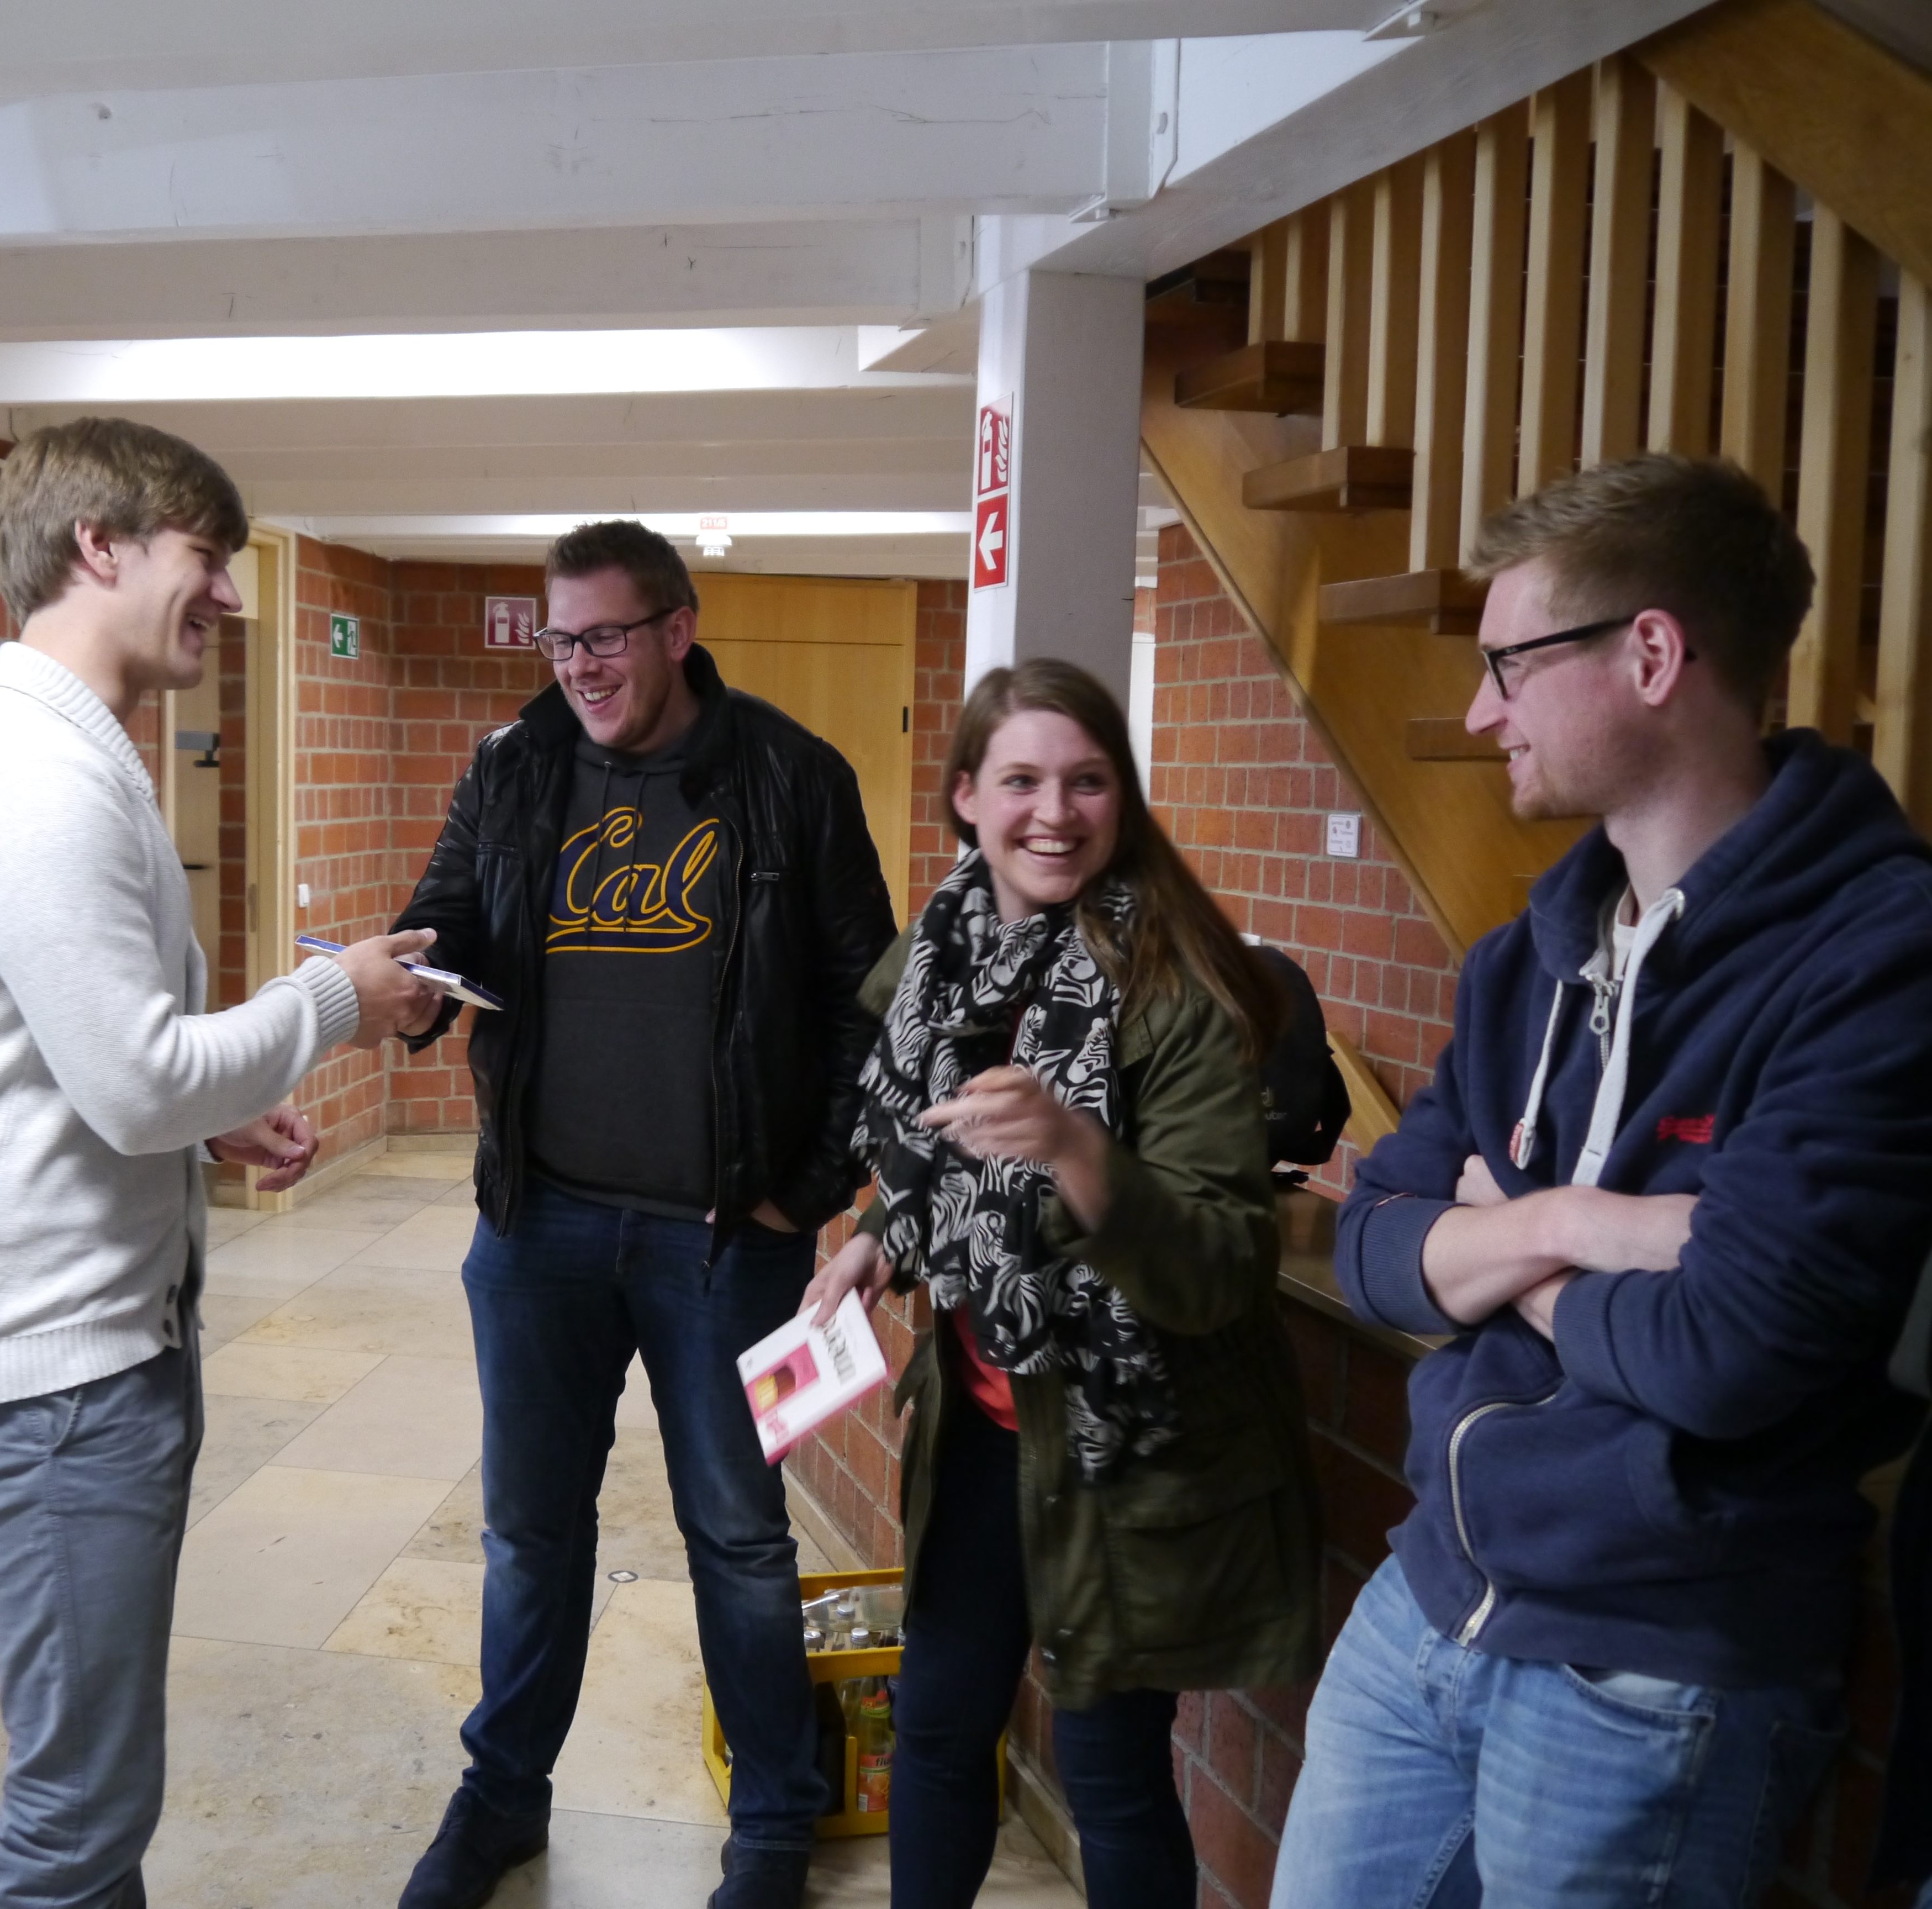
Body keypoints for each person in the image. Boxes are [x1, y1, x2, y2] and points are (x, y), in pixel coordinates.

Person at [1273, 454, 1932, 1907]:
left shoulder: (1877, 957)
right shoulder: (1527, 959)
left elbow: (1728, 1352)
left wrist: (1500, 1243)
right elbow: (1374, 1246)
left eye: (1510, 664)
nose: (1479, 712)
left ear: (1650, 656)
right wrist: (1583, 1225)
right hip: (1431, 1597)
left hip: (1653, 1664)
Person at [0, 418, 441, 1909]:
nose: (233, 597)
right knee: (76, 1817)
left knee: (96, 1799)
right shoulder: (39, 774)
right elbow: (131, 1082)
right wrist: (335, 999)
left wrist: (207, 1113)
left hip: (72, 1346)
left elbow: (69, 1059)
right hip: (47, 1367)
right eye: (208, 556)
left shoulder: (66, 751)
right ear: (98, 546)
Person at [389, 520, 897, 1909]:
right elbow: (445, 915)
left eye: (605, 636)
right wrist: (414, 980)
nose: (580, 666)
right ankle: (502, 1798)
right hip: (537, 1229)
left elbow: (872, 1004)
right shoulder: (513, 765)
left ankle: (775, 1826)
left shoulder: (792, 776)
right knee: (529, 1533)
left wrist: (805, 1191)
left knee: (739, 1536)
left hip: (726, 1243)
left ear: (678, 629)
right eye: (561, 640)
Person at [805, 658, 1321, 1909]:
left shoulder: (1181, 988)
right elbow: (937, 1152)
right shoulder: (944, 951)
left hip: (1126, 1442)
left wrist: (1079, 1148)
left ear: (1122, 798)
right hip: (985, 1429)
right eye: (1022, 781)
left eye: (1087, 782)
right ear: (966, 796)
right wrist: (882, 1235)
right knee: (938, 1730)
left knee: (1110, 1773)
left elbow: (1221, 1264)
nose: (1054, 813)